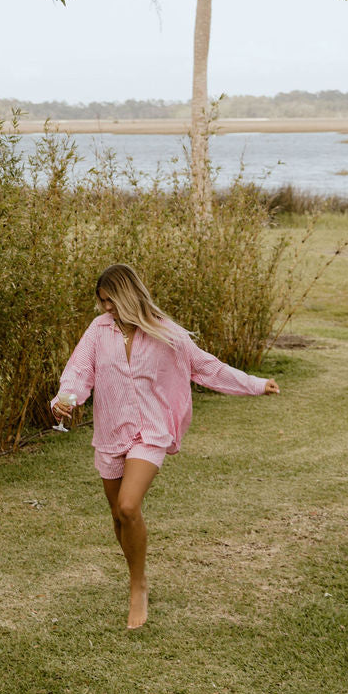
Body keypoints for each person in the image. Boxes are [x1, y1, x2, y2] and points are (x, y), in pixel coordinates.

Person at [51, 263, 281, 630]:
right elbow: (78, 372)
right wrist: (66, 399)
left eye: (110, 301)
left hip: (151, 431)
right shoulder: (98, 331)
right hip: (112, 431)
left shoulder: (164, 332)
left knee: (129, 506)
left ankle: (137, 587)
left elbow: (207, 367)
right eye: (102, 302)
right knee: (118, 515)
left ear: (128, 295)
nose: (105, 308)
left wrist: (255, 383)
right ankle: (135, 573)